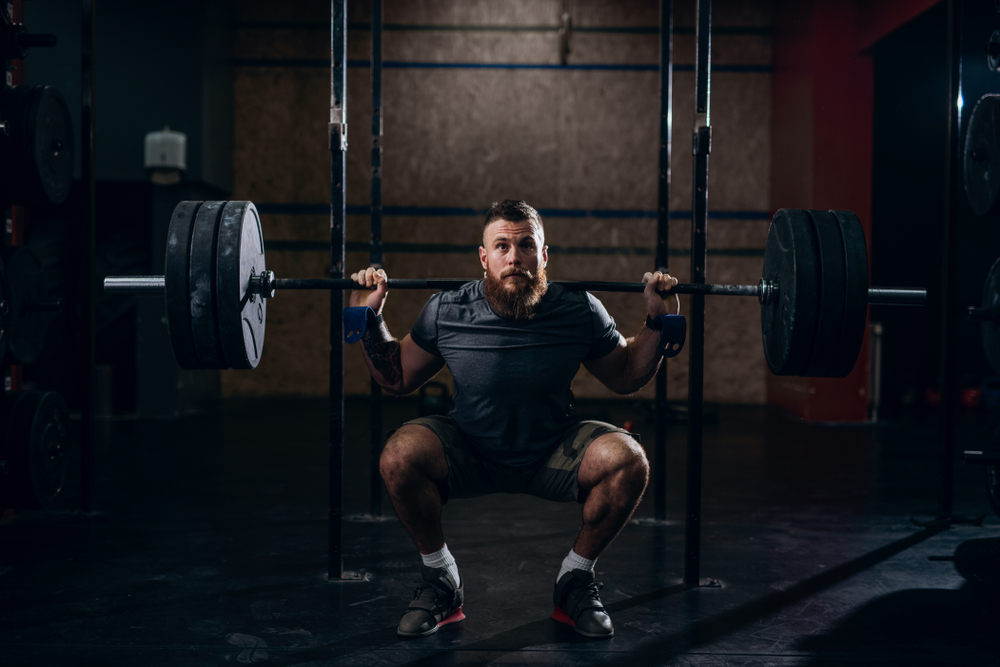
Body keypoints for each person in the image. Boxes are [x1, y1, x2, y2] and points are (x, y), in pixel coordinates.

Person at [349, 199, 680, 639]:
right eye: (501, 246)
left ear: (543, 256)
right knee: (397, 457)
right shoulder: (448, 310)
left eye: (526, 245)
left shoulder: (578, 309)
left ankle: (575, 580)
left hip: (553, 451)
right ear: (483, 258)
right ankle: (441, 579)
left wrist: (659, 322)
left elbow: (624, 375)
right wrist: (368, 316)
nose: (514, 256)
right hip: (470, 450)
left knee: (629, 460)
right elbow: (398, 376)